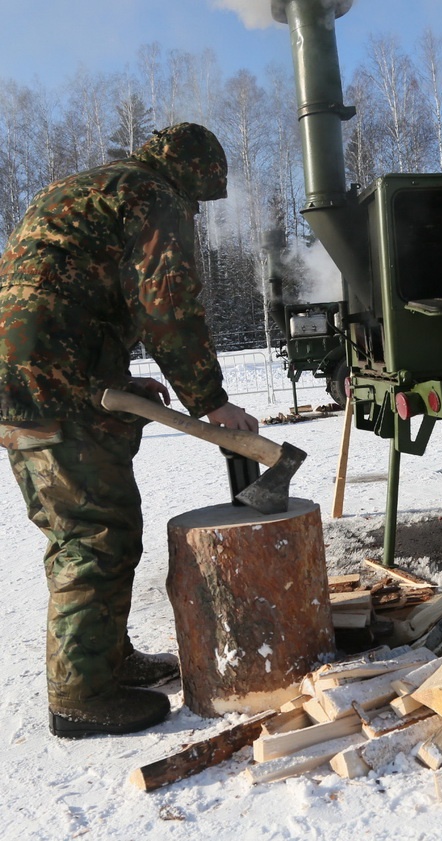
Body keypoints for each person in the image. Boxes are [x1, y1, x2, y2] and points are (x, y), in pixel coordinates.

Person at [0, 123, 258, 738]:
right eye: (200, 199)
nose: (194, 212)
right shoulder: (152, 195)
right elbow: (166, 302)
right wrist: (211, 400)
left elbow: (61, 297)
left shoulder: (84, 189)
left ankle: (109, 661)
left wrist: (116, 379)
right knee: (92, 537)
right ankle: (81, 697)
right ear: (193, 174)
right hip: (54, 388)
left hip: (35, 379)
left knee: (101, 526)